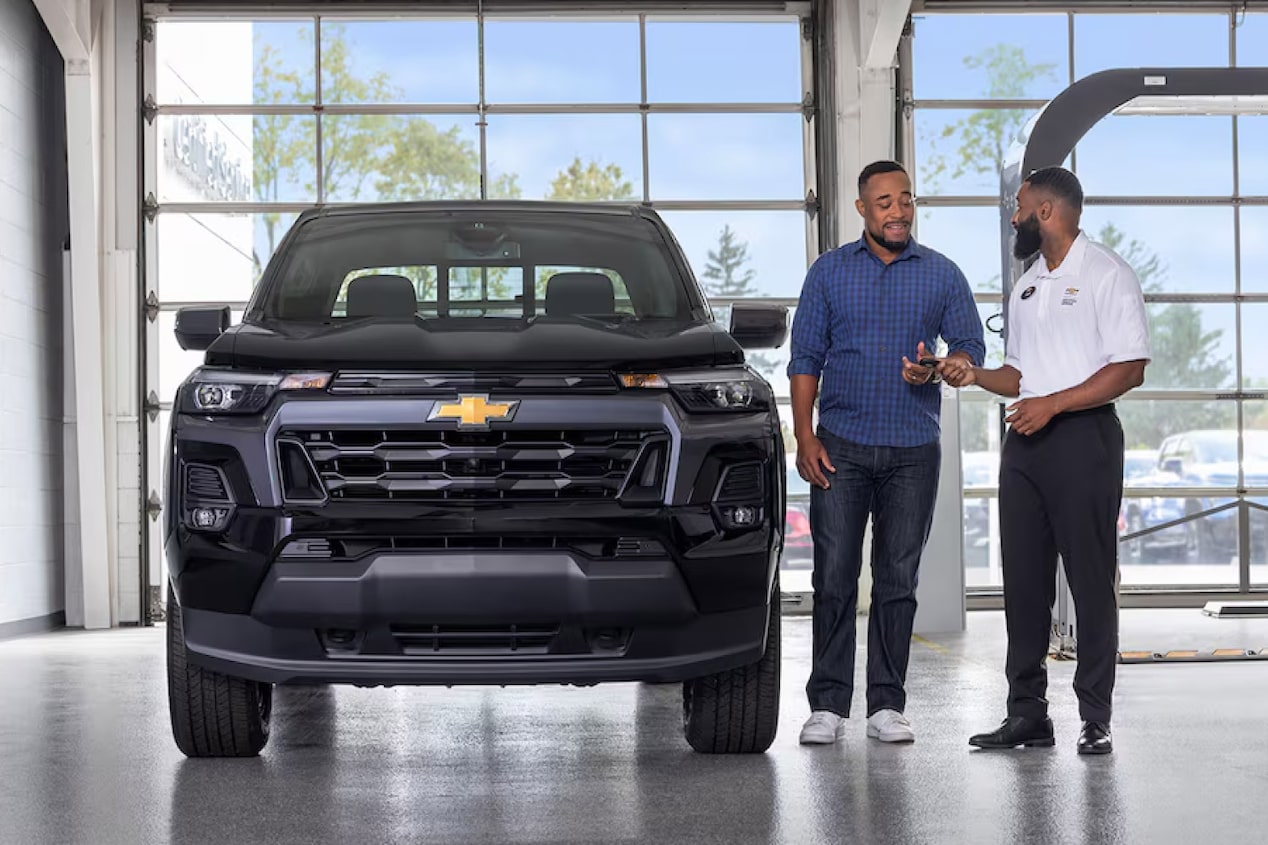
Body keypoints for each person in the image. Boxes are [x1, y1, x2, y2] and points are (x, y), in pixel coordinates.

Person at [940, 166, 1150, 755]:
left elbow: (1129, 367)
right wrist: (972, 373)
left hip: (1085, 440)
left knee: (1089, 581)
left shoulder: (1107, 273)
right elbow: (1019, 375)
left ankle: (1095, 716)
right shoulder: (1027, 284)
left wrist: (1054, 404)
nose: (1014, 216)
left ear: (1049, 212)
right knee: (1024, 585)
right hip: (1026, 445)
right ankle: (1027, 713)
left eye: (1021, 207)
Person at [788, 160, 984, 746]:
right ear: (861, 209)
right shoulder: (827, 274)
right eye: (884, 202)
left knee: (898, 580)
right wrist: (804, 435)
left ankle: (886, 705)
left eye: (905, 200)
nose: (898, 211)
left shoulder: (943, 275)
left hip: (913, 452)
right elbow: (805, 359)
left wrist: (940, 369)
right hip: (840, 449)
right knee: (835, 578)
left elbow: (969, 347)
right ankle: (826, 705)